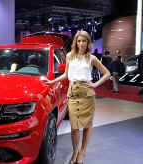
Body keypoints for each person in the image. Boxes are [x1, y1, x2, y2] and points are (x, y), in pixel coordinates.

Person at [43, 31, 110, 164]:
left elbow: (107, 73)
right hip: (72, 94)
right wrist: (52, 82)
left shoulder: (92, 58)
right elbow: (66, 75)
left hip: (87, 95)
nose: (81, 44)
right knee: (74, 127)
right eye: (79, 41)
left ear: (88, 43)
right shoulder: (69, 56)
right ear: (76, 42)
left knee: (87, 126)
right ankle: (75, 152)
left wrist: (95, 84)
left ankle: (82, 154)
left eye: (84, 41)